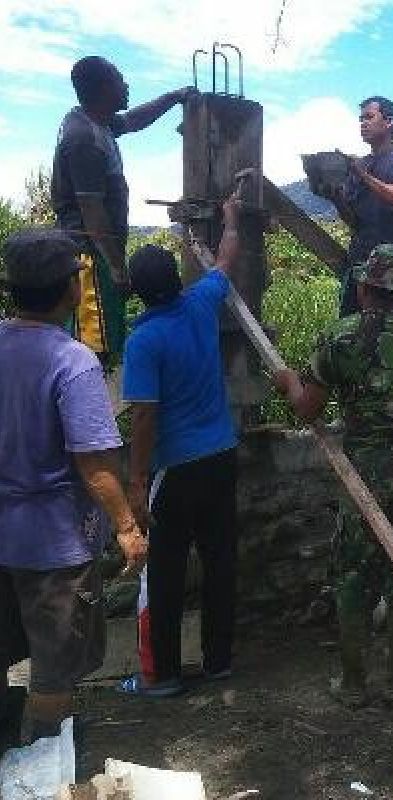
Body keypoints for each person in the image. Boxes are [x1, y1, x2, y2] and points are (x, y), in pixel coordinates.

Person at [273, 245, 393, 705]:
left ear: (363, 288)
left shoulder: (339, 338)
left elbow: (307, 409)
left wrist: (287, 382)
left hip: (366, 467)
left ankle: (354, 682)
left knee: (354, 570)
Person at [0, 229, 147, 745]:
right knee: (55, 663)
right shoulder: (72, 361)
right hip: (54, 545)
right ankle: (43, 758)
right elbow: (94, 464)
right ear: (69, 290)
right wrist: (127, 526)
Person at [115, 196, 242, 698]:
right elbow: (226, 257)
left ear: (136, 292)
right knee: (219, 561)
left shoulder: (143, 341)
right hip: (221, 456)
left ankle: (161, 675)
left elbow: (145, 416)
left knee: (163, 573)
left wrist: (137, 482)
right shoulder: (203, 300)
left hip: (176, 467)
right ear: (176, 276)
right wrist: (230, 217)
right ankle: (218, 663)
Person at [50, 56, 196, 366]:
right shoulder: (84, 138)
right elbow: (92, 211)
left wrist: (173, 97)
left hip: (97, 251)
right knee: (92, 345)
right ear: (104, 89)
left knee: (102, 337)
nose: (127, 85)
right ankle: (89, 406)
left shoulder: (95, 122)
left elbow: (132, 120)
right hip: (88, 254)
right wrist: (117, 266)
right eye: (120, 79)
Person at [323, 96, 393, 317]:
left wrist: (363, 175)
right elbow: (354, 222)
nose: (363, 123)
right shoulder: (357, 166)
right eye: (360, 119)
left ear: (389, 122)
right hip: (360, 268)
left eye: (369, 117)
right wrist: (336, 198)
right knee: (352, 335)